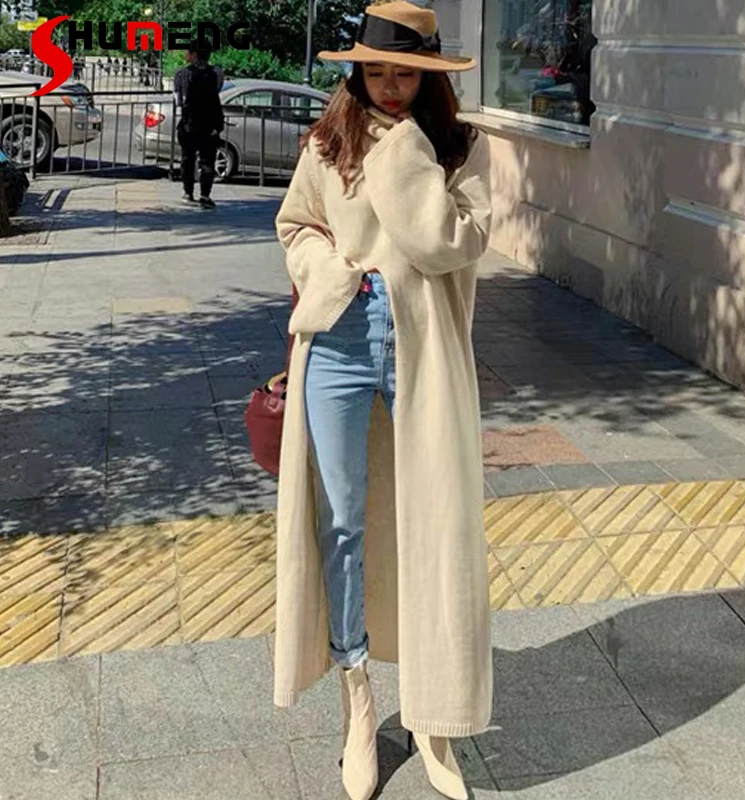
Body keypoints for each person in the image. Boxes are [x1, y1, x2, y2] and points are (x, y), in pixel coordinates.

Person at [273, 2, 492, 799]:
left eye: (406, 73)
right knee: (341, 523)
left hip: (422, 347)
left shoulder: (457, 148)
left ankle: (434, 713)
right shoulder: (326, 143)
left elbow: (450, 242)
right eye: (376, 72)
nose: (391, 86)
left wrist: (402, 153)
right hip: (335, 342)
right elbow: (296, 224)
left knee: (435, 522)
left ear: (430, 77)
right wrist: (329, 272)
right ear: (355, 71)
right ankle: (358, 701)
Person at [173, 40, 224, 209]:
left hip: (189, 124)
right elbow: (217, 93)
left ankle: (188, 192)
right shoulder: (217, 73)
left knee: (188, 159)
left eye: (187, 51)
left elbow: (179, 100)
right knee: (207, 161)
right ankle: (205, 195)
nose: (185, 54)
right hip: (209, 124)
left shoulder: (181, 74)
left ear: (194, 54)